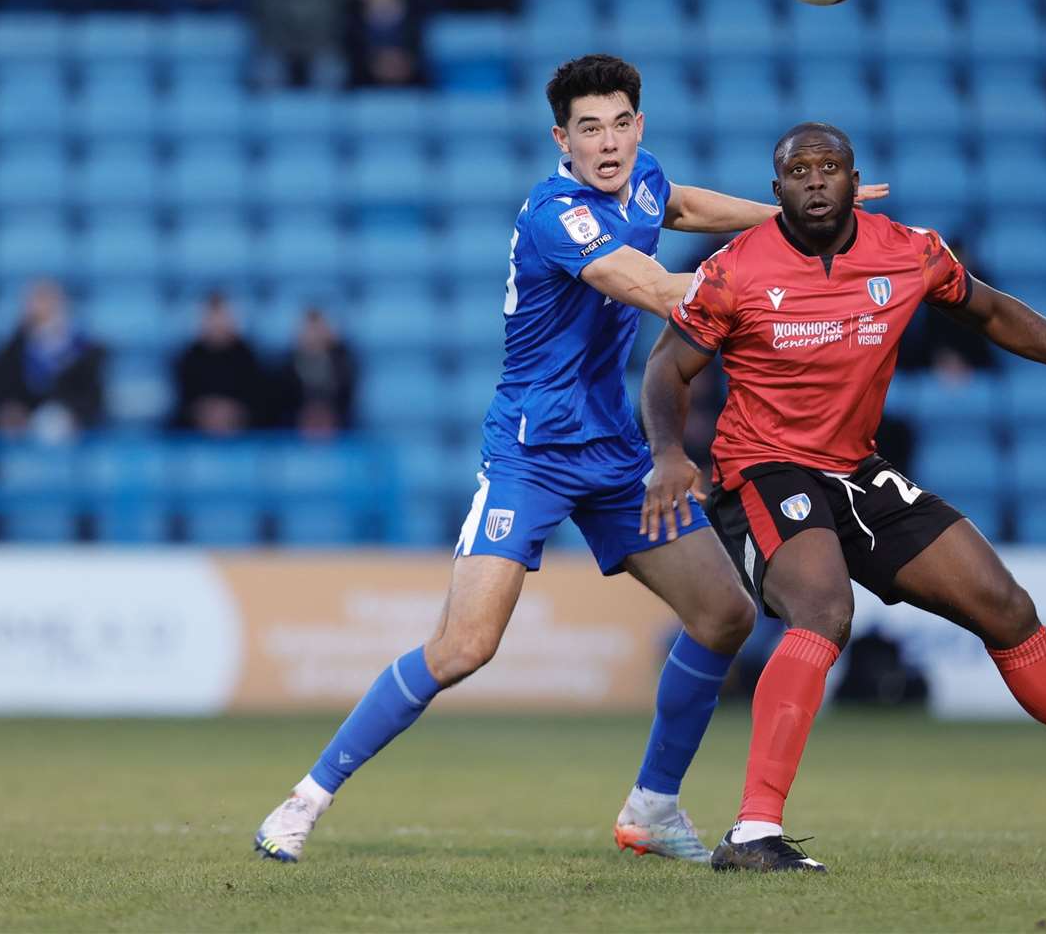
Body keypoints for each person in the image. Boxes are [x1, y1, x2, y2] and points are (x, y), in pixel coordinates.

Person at [252, 55, 890, 866]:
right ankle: (307, 798)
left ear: (640, 126)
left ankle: (653, 810)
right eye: (590, 128)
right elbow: (657, 289)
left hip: (617, 452)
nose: (610, 141)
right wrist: (801, 258)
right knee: (463, 648)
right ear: (563, 139)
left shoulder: (647, 177)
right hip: (531, 453)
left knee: (726, 614)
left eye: (621, 123)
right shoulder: (560, 215)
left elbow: (683, 203)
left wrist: (781, 215)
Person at [639, 122, 1046, 872]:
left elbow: (988, 311)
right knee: (824, 609)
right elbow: (667, 369)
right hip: (762, 471)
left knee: (1004, 605)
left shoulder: (910, 250)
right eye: (800, 171)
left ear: (856, 180)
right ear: (777, 189)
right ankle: (755, 832)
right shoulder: (734, 270)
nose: (817, 181)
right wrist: (669, 455)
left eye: (832, 167)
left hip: (856, 469)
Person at [0, 281, 106, 443]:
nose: (38, 306)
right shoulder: (12, 349)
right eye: (34, 300)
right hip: (22, 436)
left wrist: (75, 417)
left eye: (45, 299)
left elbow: (93, 397)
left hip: (71, 436)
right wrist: (8, 410)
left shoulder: (86, 351)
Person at [170, 293, 269, 438]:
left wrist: (232, 412)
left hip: (241, 430)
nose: (217, 324)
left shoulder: (248, 356)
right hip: (197, 430)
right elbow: (184, 400)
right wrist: (205, 412)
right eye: (212, 318)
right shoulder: (188, 357)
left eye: (222, 317)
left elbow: (258, 399)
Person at [275, 308, 357, 439]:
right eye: (309, 330)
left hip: (336, 424)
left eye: (318, 330)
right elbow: (282, 401)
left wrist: (329, 415)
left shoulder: (344, 362)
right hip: (296, 427)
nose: (313, 335)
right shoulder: (285, 365)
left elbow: (347, 397)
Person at [345, 0, 427, 89]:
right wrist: (375, 64)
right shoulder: (352, 19)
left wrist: (403, 63)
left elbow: (420, 50)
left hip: (411, 81)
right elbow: (352, 53)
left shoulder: (417, 16)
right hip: (366, 81)